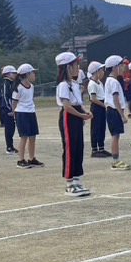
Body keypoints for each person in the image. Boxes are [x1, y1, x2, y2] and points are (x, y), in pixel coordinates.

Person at [55, 52, 92, 197]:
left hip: (76, 115)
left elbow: (78, 103)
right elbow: (67, 106)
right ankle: (69, 183)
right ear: (68, 67)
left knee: (78, 147)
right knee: (70, 148)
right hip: (68, 117)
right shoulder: (63, 85)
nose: (78, 67)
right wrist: (82, 115)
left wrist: (85, 112)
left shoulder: (74, 84)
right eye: (76, 64)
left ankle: (77, 180)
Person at [11, 64, 41, 168]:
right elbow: (14, 103)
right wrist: (14, 113)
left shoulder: (31, 87)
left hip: (31, 112)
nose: (34, 75)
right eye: (32, 73)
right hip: (21, 113)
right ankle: (20, 159)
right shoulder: (18, 88)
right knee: (24, 137)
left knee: (32, 136)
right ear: (27, 74)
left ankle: (32, 158)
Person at [102, 56, 129, 167]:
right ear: (114, 67)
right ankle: (115, 160)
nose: (123, 67)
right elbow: (115, 99)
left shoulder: (111, 80)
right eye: (121, 65)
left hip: (113, 110)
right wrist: (122, 115)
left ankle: (116, 159)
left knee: (116, 135)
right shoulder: (113, 81)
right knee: (115, 136)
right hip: (114, 111)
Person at [87, 61, 109, 157]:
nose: (103, 72)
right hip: (97, 107)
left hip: (101, 105)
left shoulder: (99, 83)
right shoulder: (92, 84)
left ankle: (101, 147)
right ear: (96, 72)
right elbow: (93, 99)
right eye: (101, 70)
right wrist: (104, 105)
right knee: (95, 128)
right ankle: (94, 149)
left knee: (102, 128)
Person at [0, 65, 19, 154]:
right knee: (9, 128)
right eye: (13, 73)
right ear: (7, 74)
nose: (15, 75)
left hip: (10, 108)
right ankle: (9, 147)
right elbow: (5, 97)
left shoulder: (11, 83)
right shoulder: (6, 83)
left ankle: (11, 146)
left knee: (12, 128)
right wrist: (10, 109)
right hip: (7, 109)